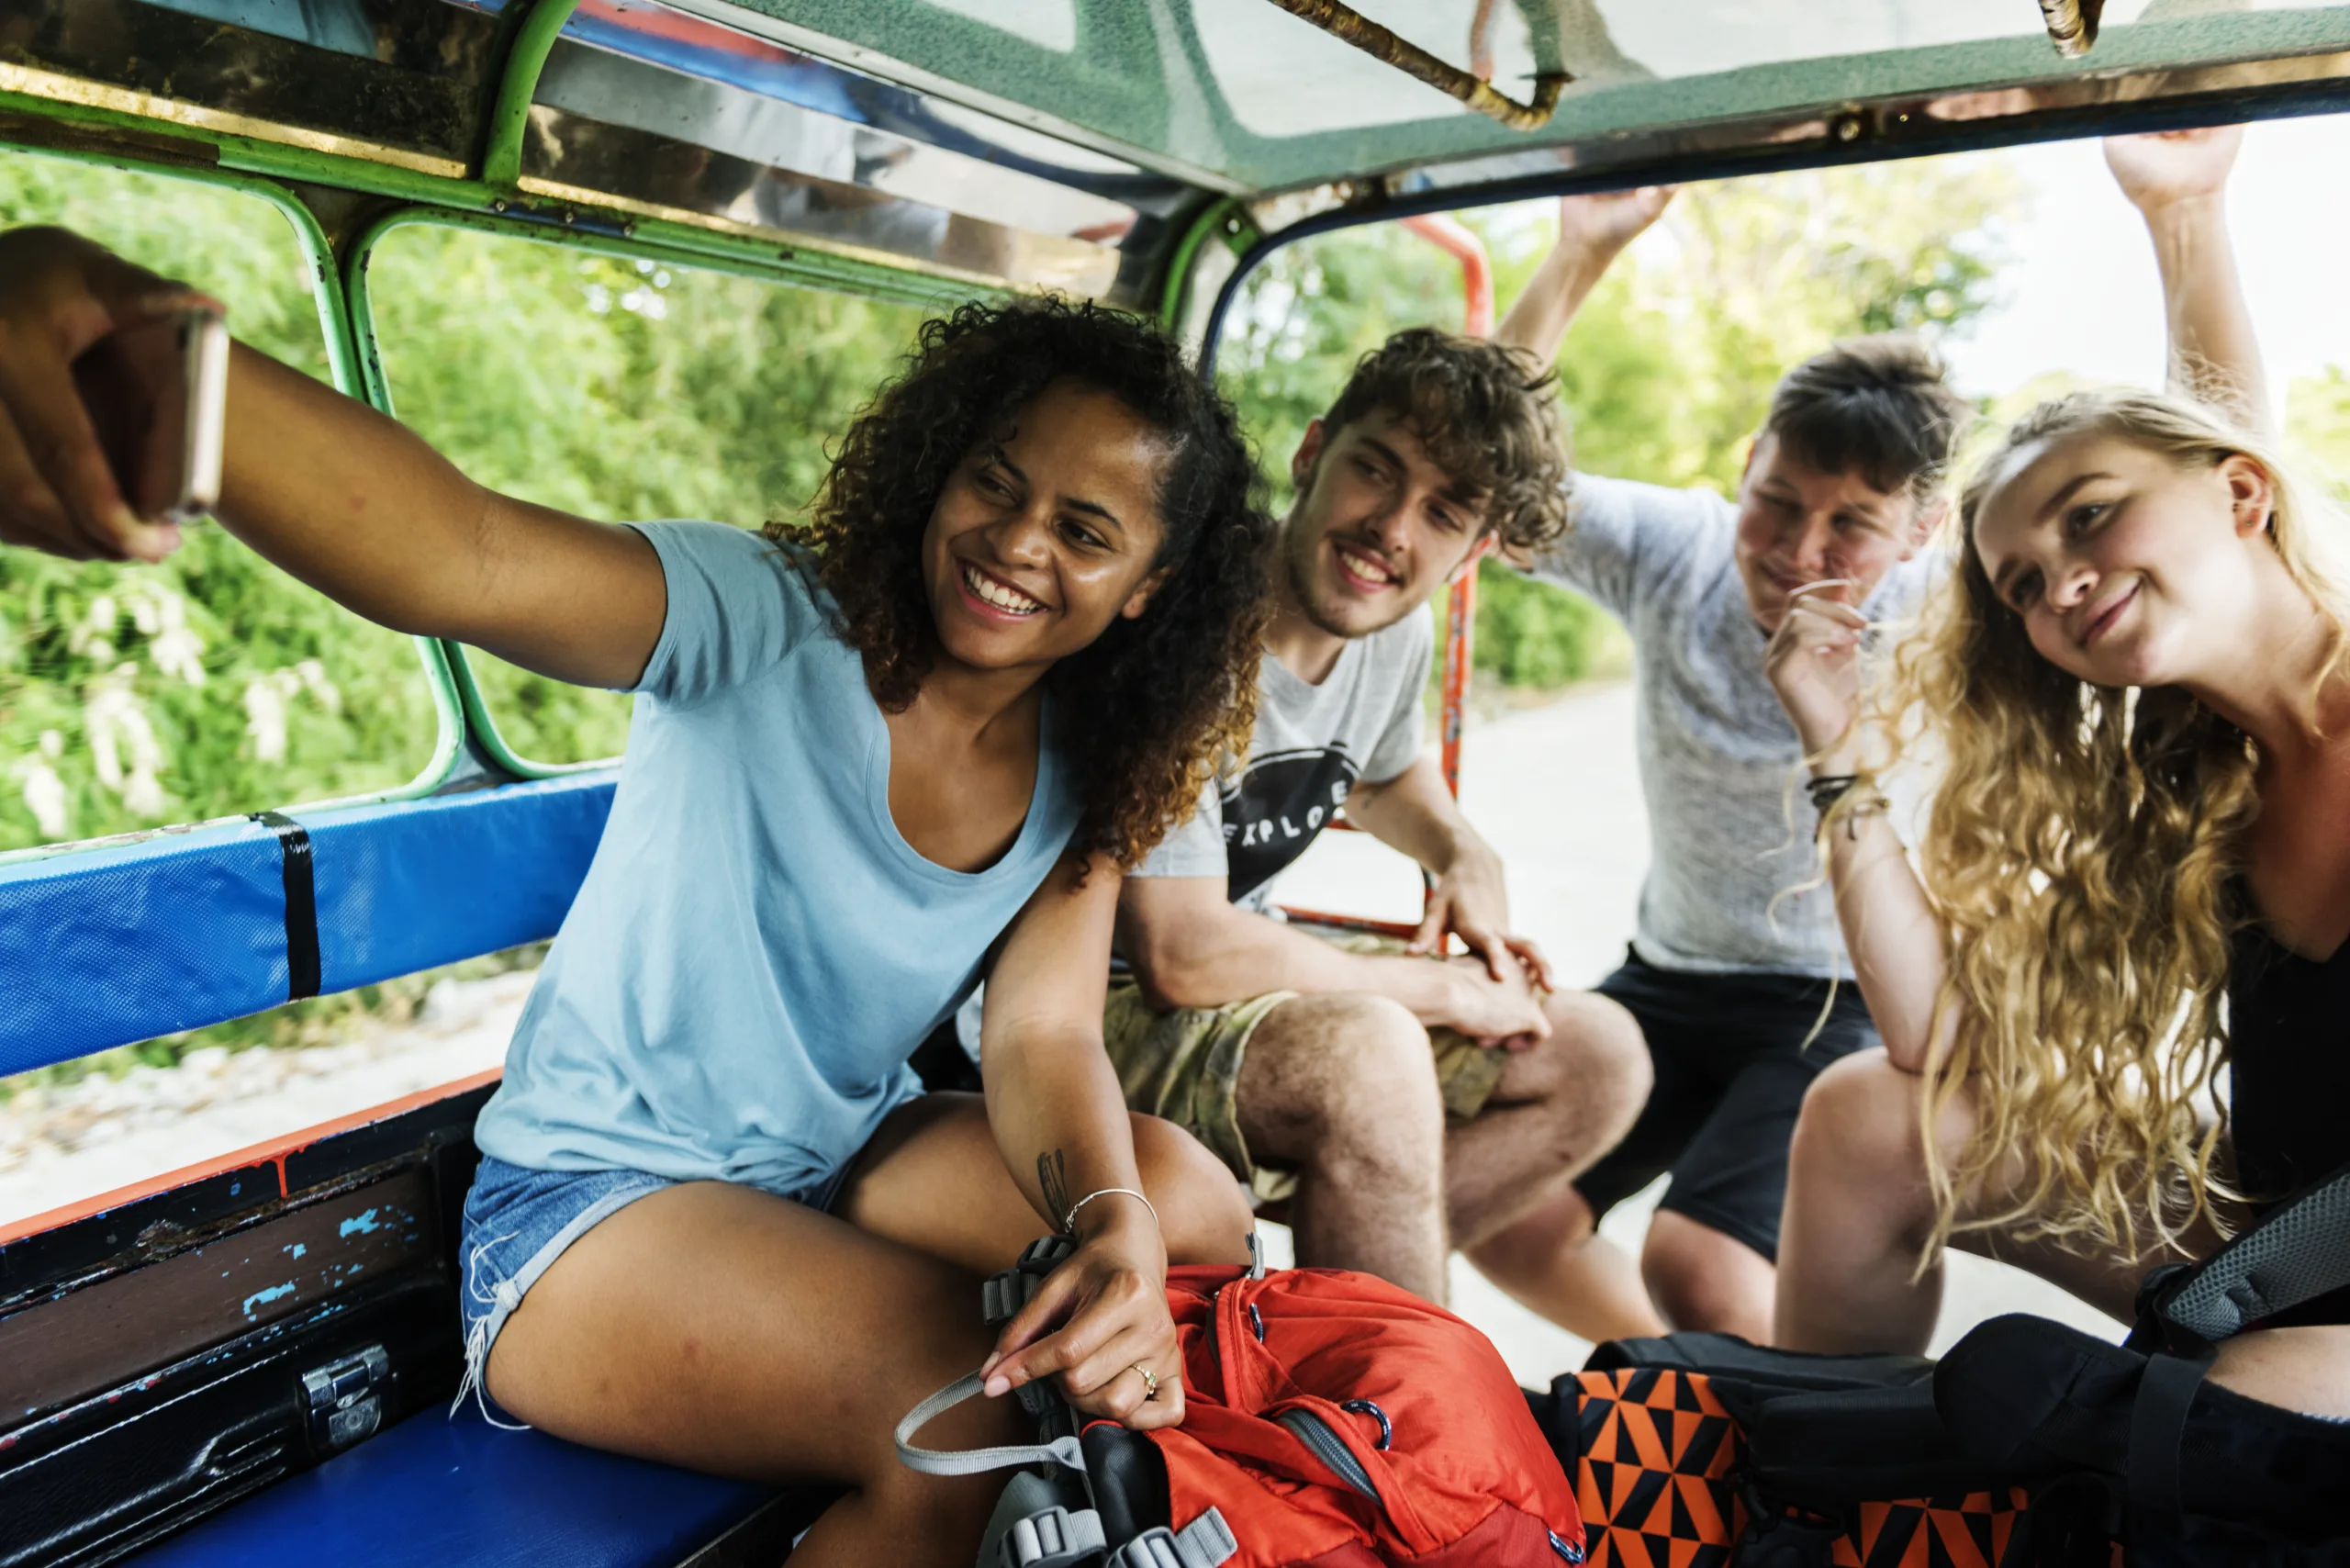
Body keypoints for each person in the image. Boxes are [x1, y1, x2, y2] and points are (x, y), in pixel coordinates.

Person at [0, 225, 1271, 1566]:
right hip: (591, 1203)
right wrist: (152, 354)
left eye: (1084, 531)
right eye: (994, 486)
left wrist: (1111, 1226)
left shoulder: (1091, 759)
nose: (1016, 544)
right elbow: (462, 555)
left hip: (829, 1161)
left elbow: (1044, 1036)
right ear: (939, 471)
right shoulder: (765, 617)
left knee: (1192, 1214)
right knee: (957, 1427)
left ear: (1151, 589)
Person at [1765, 126, 2350, 1419]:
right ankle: (1814, 1510)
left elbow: (2209, 438)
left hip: (2311, 1307)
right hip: (2281, 1244)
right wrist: (1837, 746)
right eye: (2022, 582)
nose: (2063, 580)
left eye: (2088, 515)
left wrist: (2186, 223)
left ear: (2246, 494)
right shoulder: (2202, 790)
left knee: (2234, 1413)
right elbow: (1930, 1038)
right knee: (1870, 1117)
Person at [1477, 186, 1968, 1342]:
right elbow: (1484, 472)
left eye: (1850, 525)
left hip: (1839, 997)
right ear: (1746, 464)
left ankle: (1790, 1473)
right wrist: (1579, 253)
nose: (1798, 553)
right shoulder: (1676, 549)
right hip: (1674, 973)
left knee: (1699, 1262)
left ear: (1921, 529)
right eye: (1777, 502)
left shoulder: (1952, 612)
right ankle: (1694, 1416)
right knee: (1508, 1212)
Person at [1101, 328, 1653, 1308]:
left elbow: (1387, 778)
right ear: (1313, 452)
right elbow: (1181, 956)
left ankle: (1326, 1311)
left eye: (1440, 512)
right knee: (1372, 1053)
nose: (1391, 528)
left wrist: (1460, 852)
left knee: (1598, 1055)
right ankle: (1393, 1408)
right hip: (1081, 1002)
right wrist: (1435, 991)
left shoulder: (1391, 627)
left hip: (1228, 975)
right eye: (1375, 471)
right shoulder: (1194, 620)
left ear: (1473, 551)